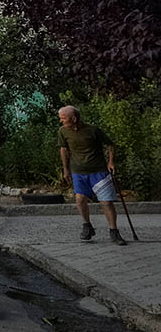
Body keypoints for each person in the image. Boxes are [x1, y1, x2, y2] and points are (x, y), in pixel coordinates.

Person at [58, 105, 127, 245]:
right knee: (80, 199)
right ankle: (87, 226)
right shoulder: (63, 131)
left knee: (106, 202)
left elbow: (110, 145)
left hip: (99, 170)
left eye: (63, 118)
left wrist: (111, 162)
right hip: (78, 171)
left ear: (74, 118)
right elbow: (64, 150)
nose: (61, 121)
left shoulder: (93, 130)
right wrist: (65, 169)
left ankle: (114, 231)